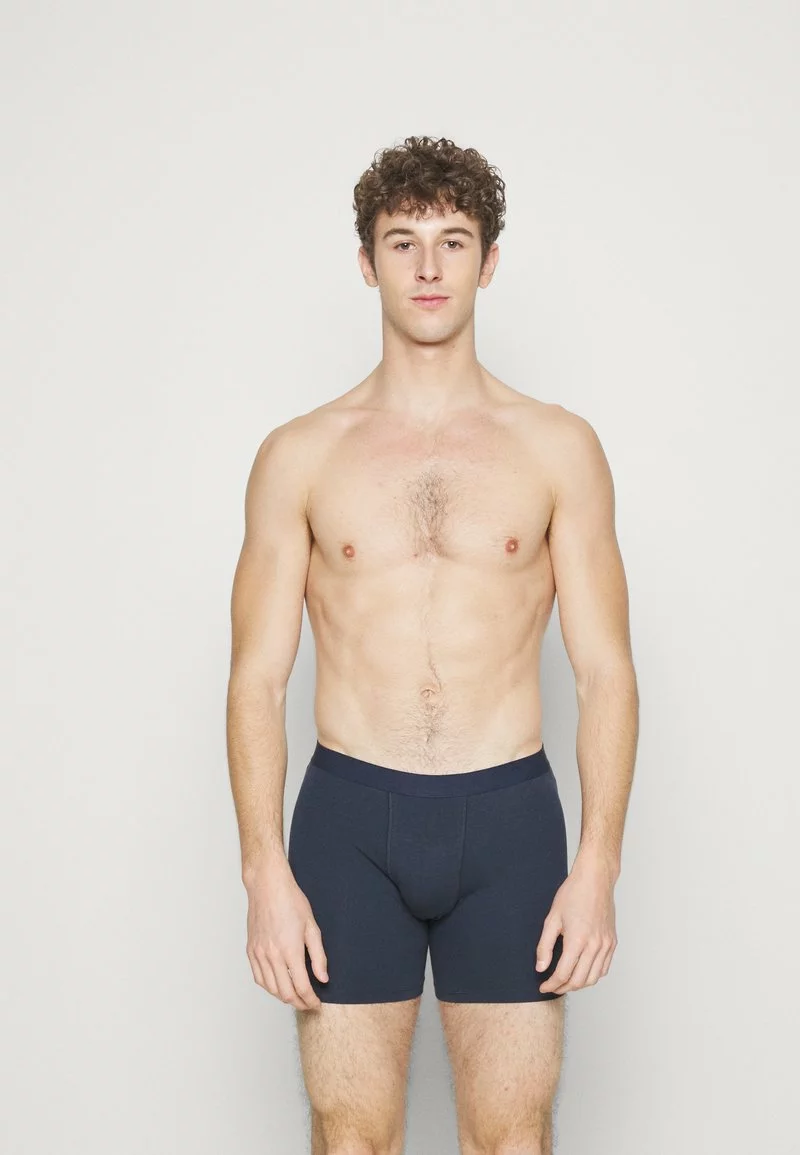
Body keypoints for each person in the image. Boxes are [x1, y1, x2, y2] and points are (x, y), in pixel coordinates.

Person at [226, 135, 639, 1155]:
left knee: (511, 1138)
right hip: (348, 822)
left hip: (507, 822)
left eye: (452, 241)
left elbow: (605, 673)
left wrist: (597, 866)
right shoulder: (298, 454)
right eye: (401, 241)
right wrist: (263, 875)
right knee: (351, 1137)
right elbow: (256, 679)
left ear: (486, 263)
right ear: (366, 262)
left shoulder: (558, 447)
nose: (426, 266)